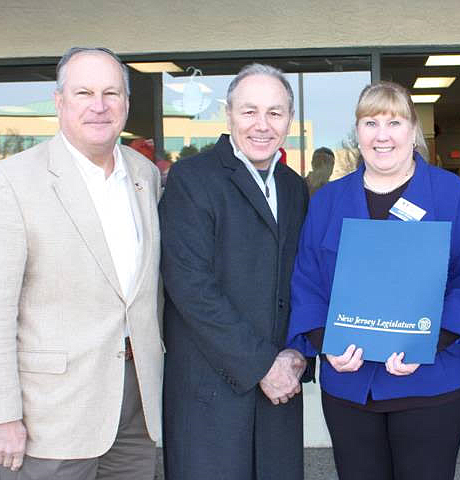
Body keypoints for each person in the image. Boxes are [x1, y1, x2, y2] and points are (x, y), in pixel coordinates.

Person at [0, 47, 164, 480]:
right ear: (59, 101)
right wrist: (0, 414)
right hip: (48, 416)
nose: (99, 105)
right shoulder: (10, 182)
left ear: (126, 103)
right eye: (84, 92)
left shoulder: (145, 175)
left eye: (112, 92)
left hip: (135, 404)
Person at [286, 81, 460, 480]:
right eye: (370, 122)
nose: (382, 135)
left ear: (412, 129)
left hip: (432, 384)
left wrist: (428, 343)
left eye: (394, 122)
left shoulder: (450, 193)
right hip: (350, 385)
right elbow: (308, 280)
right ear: (357, 132)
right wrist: (325, 344)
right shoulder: (329, 200)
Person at [160, 64, 309, 480]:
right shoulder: (192, 179)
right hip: (213, 391)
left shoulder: (295, 187)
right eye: (249, 111)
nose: (262, 125)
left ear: (289, 121)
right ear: (228, 114)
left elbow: (303, 280)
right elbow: (191, 287)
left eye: (275, 113)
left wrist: (299, 353)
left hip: (280, 387)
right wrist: (264, 365)